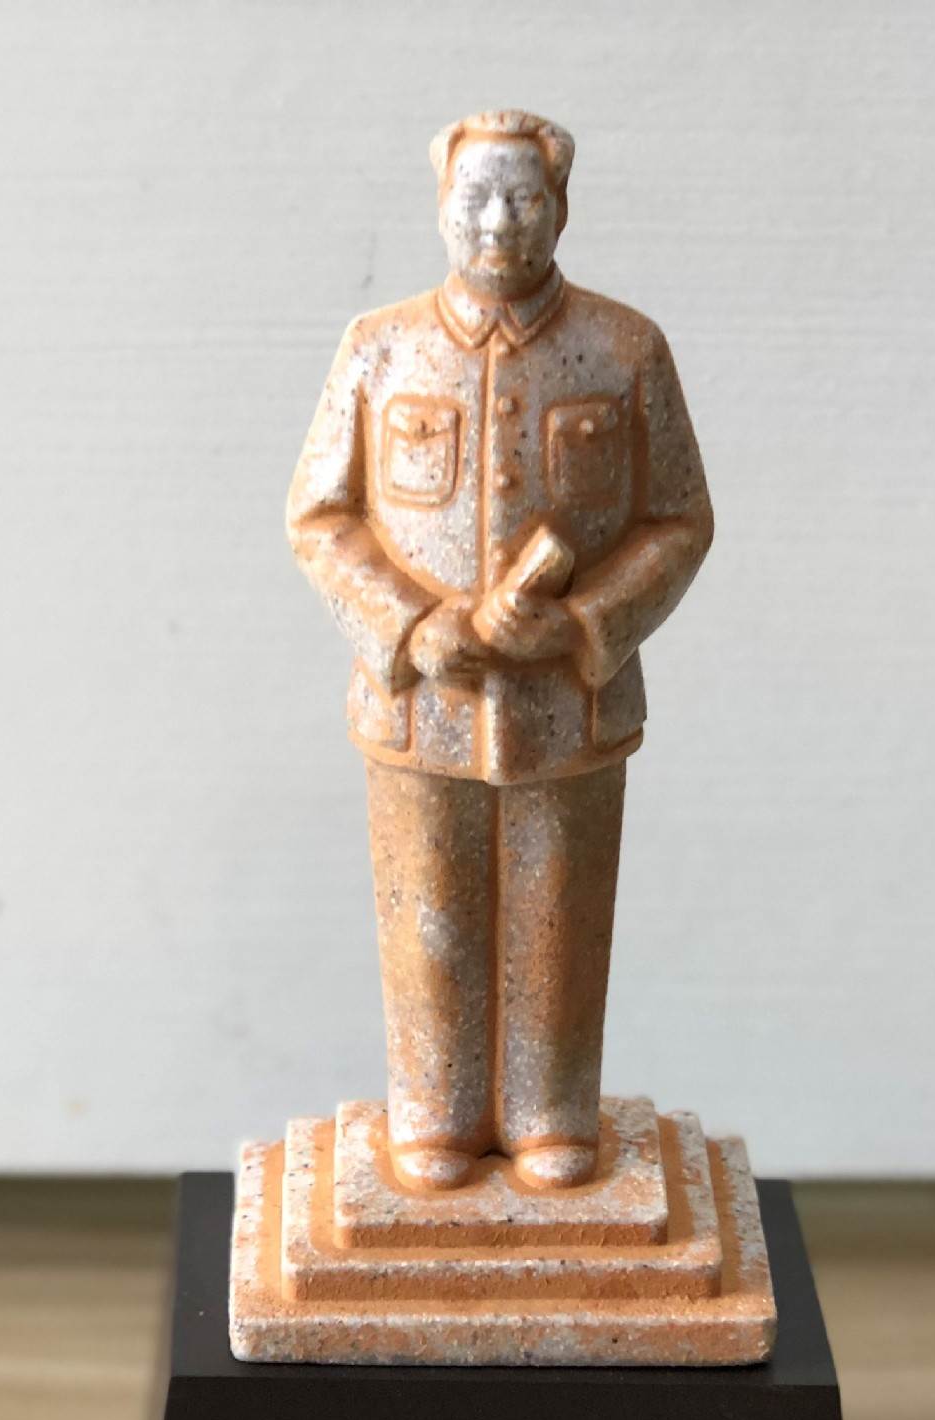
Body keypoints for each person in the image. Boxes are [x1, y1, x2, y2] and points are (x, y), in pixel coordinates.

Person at [286, 109, 714, 1191]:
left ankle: (550, 1113)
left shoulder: (625, 349)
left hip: (570, 702)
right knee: (427, 908)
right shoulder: (380, 348)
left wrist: (583, 624)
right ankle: (432, 1113)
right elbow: (320, 517)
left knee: (557, 909)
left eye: (523, 197)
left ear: (561, 208)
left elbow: (678, 520)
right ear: (441, 206)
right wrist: (413, 624)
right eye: (475, 197)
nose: (498, 221)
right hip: (421, 704)